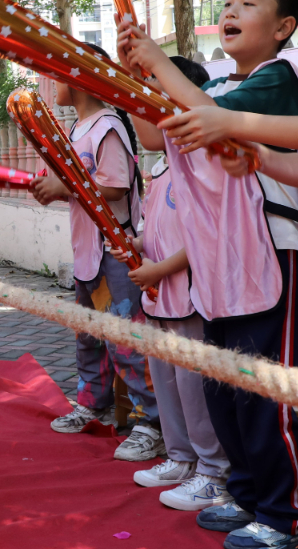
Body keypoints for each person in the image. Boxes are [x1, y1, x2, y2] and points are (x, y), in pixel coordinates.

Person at [119, 0, 298, 549]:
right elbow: (158, 134)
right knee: (225, 390)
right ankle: (246, 496)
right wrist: (131, 80)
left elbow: (205, 115)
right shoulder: (225, 88)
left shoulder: (280, 78)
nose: (230, 11)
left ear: (284, 26)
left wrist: (156, 63)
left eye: (248, 4)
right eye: (228, 1)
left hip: (271, 256)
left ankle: (286, 517)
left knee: (261, 393)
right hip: (220, 261)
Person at [28, 44, 162, 462]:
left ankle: (149, 423)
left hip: (114, 253)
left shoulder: (108, 126)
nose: (52, 85)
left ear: (76, 78)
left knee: (126, 340)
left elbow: (116, 185)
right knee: (88, 334)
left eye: (57, 75)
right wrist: (52, 188)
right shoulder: (76, 128)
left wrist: (64, 187)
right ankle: (93, 403)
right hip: (87, 254)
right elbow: (77, 186)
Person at [110, 56, 232, 513]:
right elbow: (157, 228)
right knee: (167, 383)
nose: (137, 116)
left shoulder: (201, 164)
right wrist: (135, 243)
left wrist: (161, 269)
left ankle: (213, 471)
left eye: (144, 105)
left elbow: (209, 235)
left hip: (189, 298)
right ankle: (179, 457)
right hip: (159, 299)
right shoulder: (161, 168)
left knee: (194, 386)